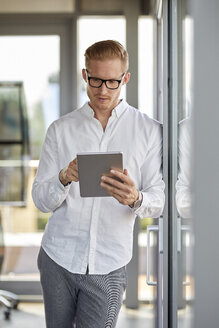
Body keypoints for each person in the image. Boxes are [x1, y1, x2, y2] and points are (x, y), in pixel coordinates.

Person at [32, 40, 165, 328]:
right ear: (84, 75)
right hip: (59, 258)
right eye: (95, 80)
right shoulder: (61, 130)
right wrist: (64, 177)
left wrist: (136, 198)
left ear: (125, 78)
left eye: (112, 82)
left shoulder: (148, 131)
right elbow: (40, 200)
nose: (103, 90)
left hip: (109, 263)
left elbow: (159, 197)